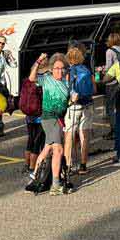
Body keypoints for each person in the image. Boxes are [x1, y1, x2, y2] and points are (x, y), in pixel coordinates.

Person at [31, 54, 73, 195]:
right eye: (56, 68)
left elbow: (67, 101)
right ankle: (55, 185)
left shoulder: (66, 84)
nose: (59, 71)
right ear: (51, 69)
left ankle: (34, 177)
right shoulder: (47, 79)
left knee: (47, 149)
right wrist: (38, 61)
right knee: (58, 150)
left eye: (62, 68)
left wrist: (73, 100)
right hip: (49, 118)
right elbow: (32, 78)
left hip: (59, 119)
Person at [65, 47, 95, 174]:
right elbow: (94, 89)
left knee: (69, 135)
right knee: (84, 136)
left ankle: (68, 165)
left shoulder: (70, 71)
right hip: (87, 104)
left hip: (74, 105)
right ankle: (83, 165)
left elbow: (67, 88)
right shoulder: (87, 70)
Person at [20, 54, 47, 179]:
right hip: (40, 115)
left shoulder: (27, 81)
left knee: (30, 139)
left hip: (29, 114)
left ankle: (27, 165)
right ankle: (32, 167)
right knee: (38, 141)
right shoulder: (42, 81)